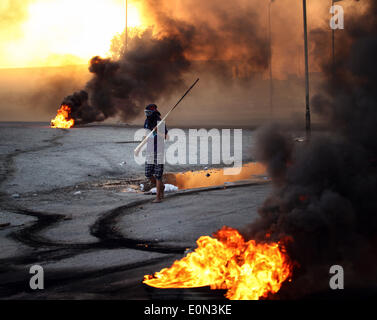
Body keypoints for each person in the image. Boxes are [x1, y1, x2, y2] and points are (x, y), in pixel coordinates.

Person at [144, 104, 168, 203]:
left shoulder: (160, 122)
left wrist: (158, 131)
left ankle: (158, 197)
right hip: (149, 150)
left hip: (158, 150)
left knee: (158, 175)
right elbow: (147, 133)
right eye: (146, 112)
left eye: (149, 113)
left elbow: (166, 137)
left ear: (153, 112)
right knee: (148, 173)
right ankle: (161, 187)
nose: (147, 115)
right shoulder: (147, 121)